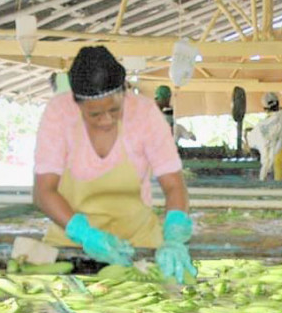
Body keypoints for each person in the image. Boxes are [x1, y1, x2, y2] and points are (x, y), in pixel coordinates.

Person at [33, 47, 196, 283]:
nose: (106, 120)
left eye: (114, 110)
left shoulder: (145, 114)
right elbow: (43, 191)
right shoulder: (59, 114)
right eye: (95, 114)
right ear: (77, 104)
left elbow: (173, 184)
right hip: (72, 243)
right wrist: (85, 234)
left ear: (124, 93)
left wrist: (174, 236)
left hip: (137, 244)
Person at [247, 92, 282, 181]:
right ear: (278, 103)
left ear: (264, 108)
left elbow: (251, 146)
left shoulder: (259, 127)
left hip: (266, 170)